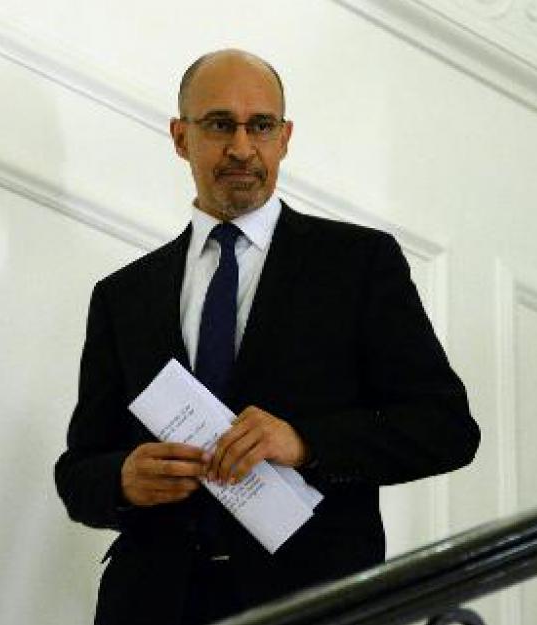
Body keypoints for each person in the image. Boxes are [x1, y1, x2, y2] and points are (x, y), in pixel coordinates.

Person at [54, 49, 480, 625]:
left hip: (311, 601)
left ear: (284, 138)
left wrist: (304, 443)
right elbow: (79, 471)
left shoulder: (358, 263)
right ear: (180, 137)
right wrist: (122, 480)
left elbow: (446, 428)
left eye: (260, 126)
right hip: (152, 604)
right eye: (219, 124)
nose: (241, 147)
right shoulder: (123, 295)